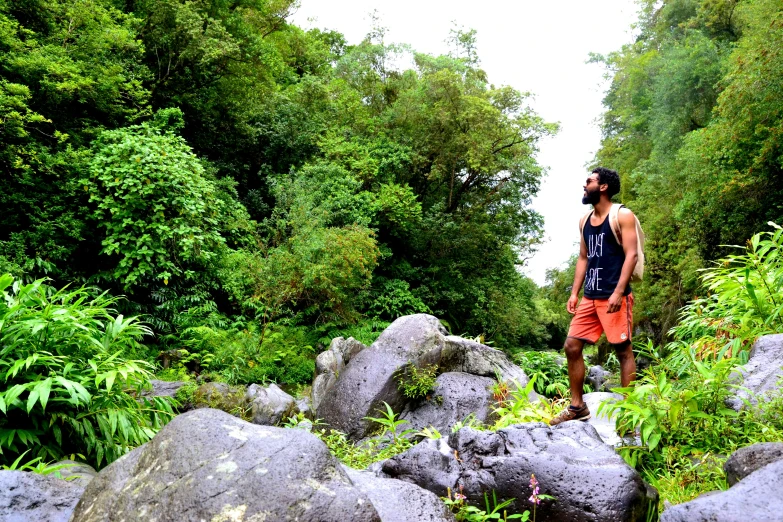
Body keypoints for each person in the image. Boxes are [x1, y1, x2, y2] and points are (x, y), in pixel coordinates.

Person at [549, 167, 638, 426]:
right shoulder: (584, 220)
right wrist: (574, 293)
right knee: (572, 346)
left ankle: (629, 414)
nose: (584, 185)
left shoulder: (623, 215)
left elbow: (631, 255)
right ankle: (578, 407)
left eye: (589, 181)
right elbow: (584, 258)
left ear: (603, 187)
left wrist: (619, 292)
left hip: (614, 296)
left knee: (623, 351)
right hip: (590, 297)